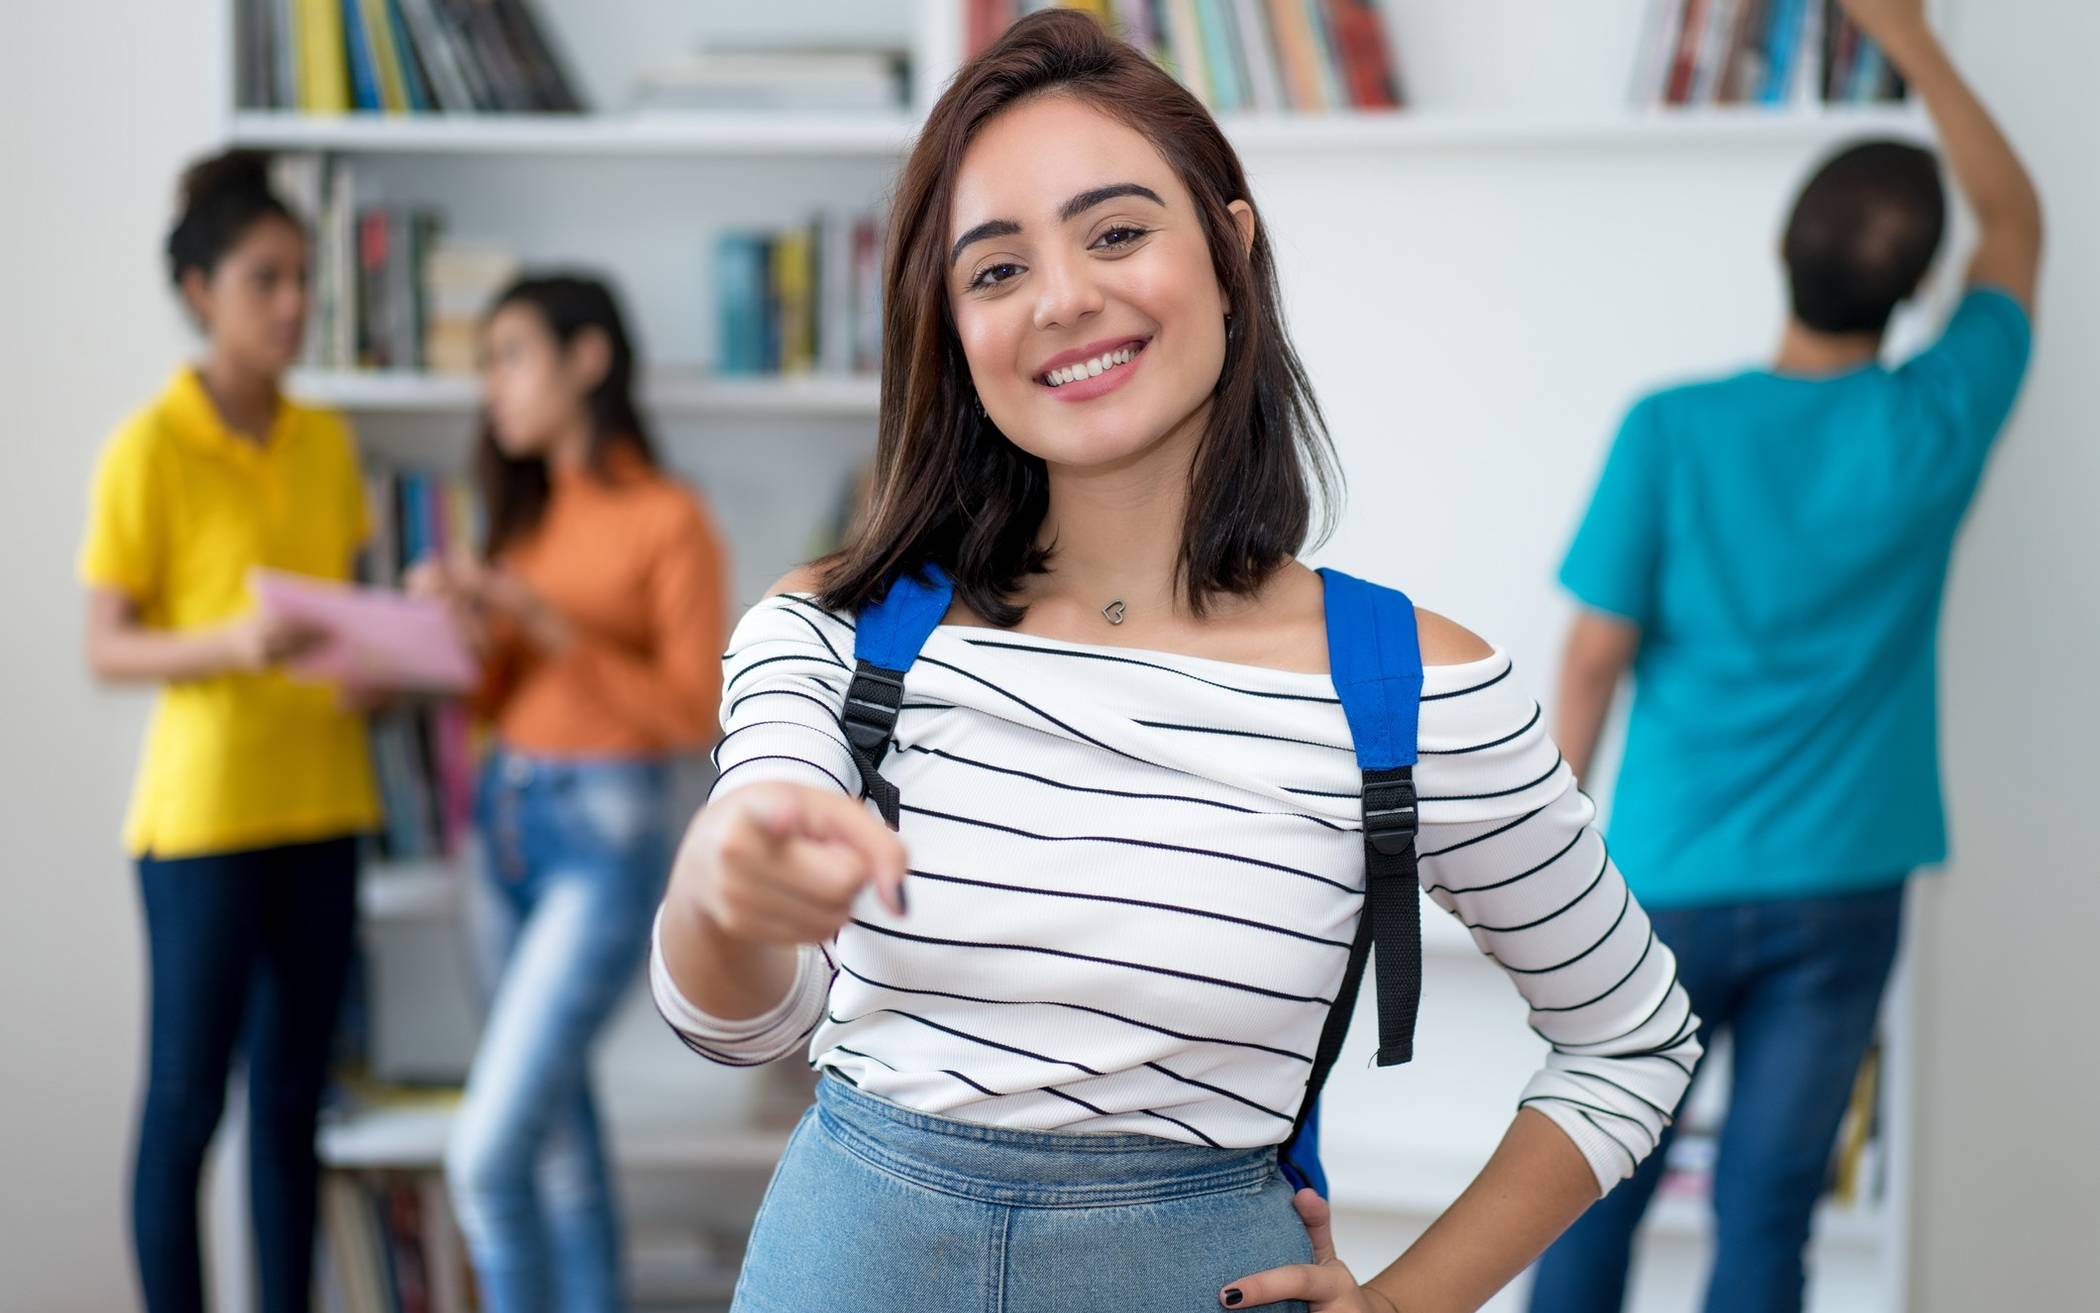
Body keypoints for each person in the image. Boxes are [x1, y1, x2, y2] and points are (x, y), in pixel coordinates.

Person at [648, 14, 1702, 1312]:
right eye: (995, 269)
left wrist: (1404, 1301)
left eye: (1116, 231)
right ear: (953, 330)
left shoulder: (1413, 688)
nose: (1063, 297)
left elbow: (1632, 1040)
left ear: (1229, 250)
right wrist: (715, 893)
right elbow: (737, 1023)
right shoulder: (828, 635)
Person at [1529, 1, 2042, 1309]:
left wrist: (1543, 857)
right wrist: (1916, 46)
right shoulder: (1938, 416)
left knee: (1594, 1182)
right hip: (1846, 884)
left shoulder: (1672, 431)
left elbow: (1589, 661)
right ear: (1917, 290)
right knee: (1767, 1214)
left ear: (1782, 249)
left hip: (1665, 883)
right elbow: (2020, 225)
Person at [82, 150, 377, 1313]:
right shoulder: (146, 449)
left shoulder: (327, 443)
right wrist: (226, 646)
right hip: (202, 823)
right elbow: (106, 645)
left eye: (303, 277)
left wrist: (396, 654)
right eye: (268, 279)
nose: (295, 303)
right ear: (203, 289)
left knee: (293, 1109)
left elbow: (345, 626)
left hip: (328, 806)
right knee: (187, 1102)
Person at [407, 274, 730, 1313]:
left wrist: (543, 622)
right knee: (553, 1139)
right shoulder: (524, 524)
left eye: (510, 354)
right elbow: (498, 697)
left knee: (487, 1155)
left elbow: (690, 709)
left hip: (604, 835)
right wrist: (462, 629)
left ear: (587, 358)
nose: (491, 385)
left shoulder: (669, 518)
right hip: (499, 825)